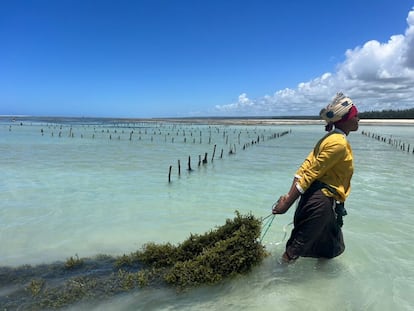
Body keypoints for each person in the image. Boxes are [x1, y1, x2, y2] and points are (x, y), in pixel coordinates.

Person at [272, 92, 359, 263]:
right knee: (294, 250)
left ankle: (322, 285)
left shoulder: (329, 138)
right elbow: (309, 173)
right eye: (356, 116)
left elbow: (303, 169)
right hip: (320, 202)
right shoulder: (338, 143)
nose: (358, 120)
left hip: (320, 199)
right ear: (346, 119)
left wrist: (288, 198)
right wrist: (287, 203)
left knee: (327, 248)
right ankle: (275, 279)